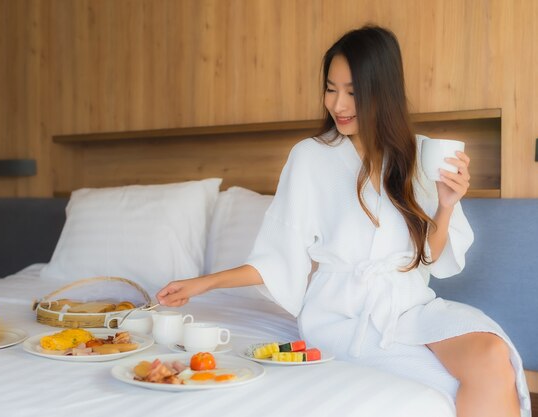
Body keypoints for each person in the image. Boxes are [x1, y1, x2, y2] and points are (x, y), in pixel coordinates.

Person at [156, 26, 529, 417]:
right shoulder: (310, 158)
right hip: (342, 317)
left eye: (353, 91)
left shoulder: (420, 153)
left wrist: (447, 204)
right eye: (331, 88)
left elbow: (428, 258)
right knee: (453, 384)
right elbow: (277, 258)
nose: (338, 103)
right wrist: (205, 283)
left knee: (491, 353)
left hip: (411, 307)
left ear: (381, 92)